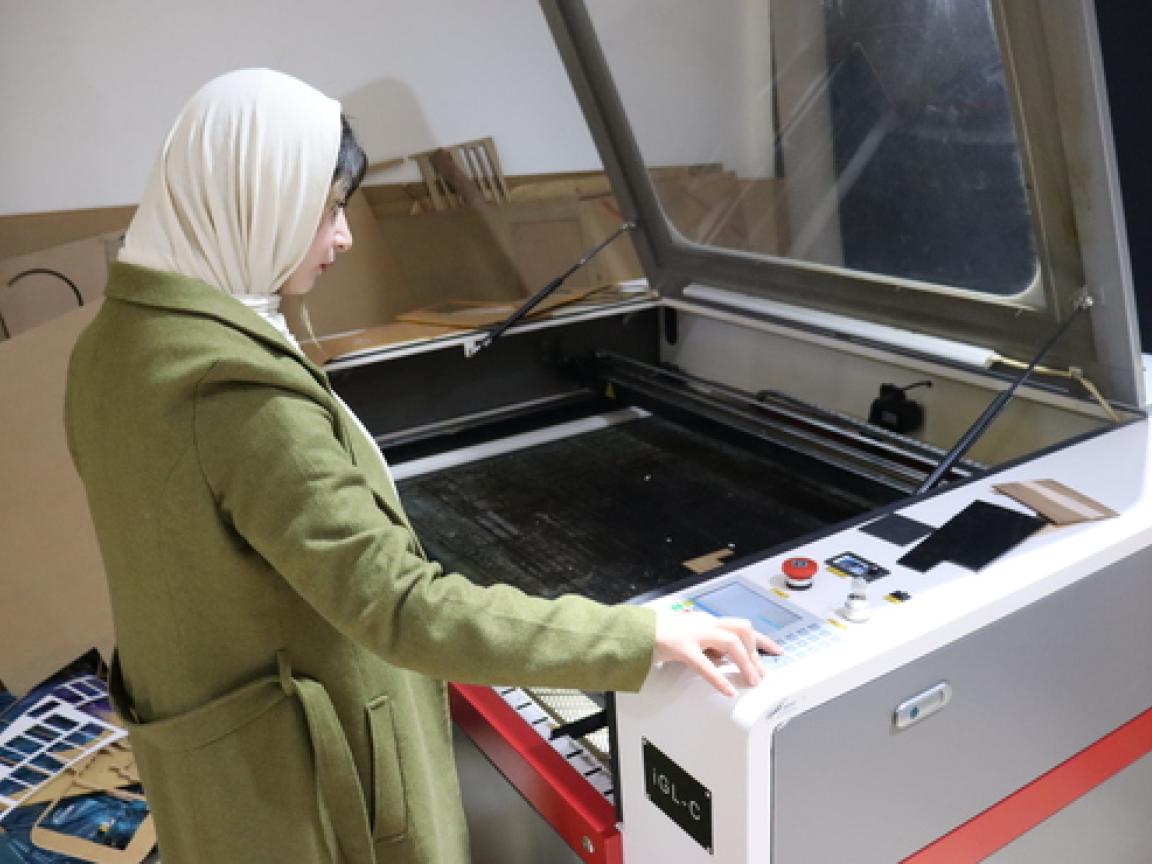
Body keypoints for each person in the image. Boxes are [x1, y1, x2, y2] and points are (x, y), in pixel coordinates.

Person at [64, 69, 777, 864]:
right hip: (308, 806)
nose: (344, 238)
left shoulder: (112, 346)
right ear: (254, 196)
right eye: (329, 209)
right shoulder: (233, 390)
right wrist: (638, 638)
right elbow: (400, 607)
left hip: (210, 771)